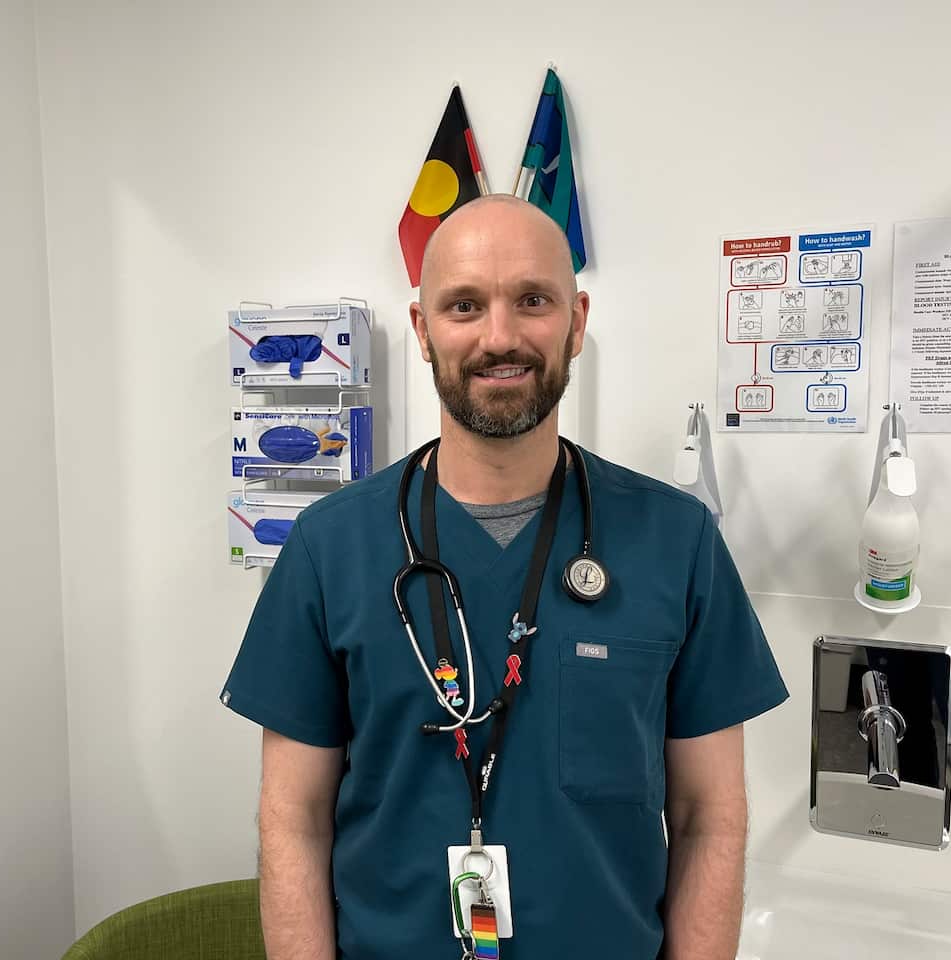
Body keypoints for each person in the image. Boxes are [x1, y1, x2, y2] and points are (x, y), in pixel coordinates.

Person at [221, 194, 789, 960]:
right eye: (463, 305)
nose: (500, 336)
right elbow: (293, 818)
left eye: (532, 300)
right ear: (423, 332)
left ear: (576, 320)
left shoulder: (675, 541)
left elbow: (707, 814)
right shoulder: (329, 547)